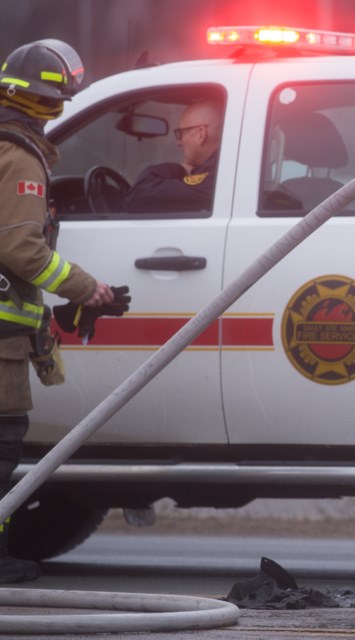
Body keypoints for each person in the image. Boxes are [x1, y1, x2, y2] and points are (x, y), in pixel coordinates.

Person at [0, 39, 127, 582]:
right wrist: (83, 288)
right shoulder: (17, 153)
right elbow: (20, 249)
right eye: (63, 99)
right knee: (2, 444)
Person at [123, 99, 221, 213]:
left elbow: (138, 196)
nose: (178, 142)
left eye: (181, 134)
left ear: (200, 134)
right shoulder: (226, 171)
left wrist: (180, 169)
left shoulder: (214, 178)